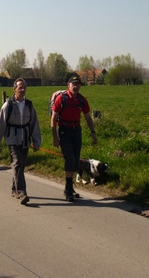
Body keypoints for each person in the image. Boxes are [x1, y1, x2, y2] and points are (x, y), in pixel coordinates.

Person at [0, 78, 41, 205]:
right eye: (20, 87)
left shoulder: (29, 105)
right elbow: (1, 126)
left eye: (24, 87)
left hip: (25, 138)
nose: (23, 89)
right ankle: (21, 192)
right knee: (17, 162)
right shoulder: (7, 105)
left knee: (21, 164)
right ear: (14, 89)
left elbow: (34, 124)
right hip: (12, 138)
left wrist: (36, 141)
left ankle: (14, 188)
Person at [50, 74, 98, 202]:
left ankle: (69, 188)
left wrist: (93, 132)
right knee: (69, 159)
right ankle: (68, 188)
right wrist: (55, 137)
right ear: (68, 85)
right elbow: (53, 118)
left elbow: (88, 117)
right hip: (64, 131)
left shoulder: (81, 100)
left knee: (76, 160)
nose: (76, 87)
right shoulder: (61, 99)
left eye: (78, 84)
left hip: (77, 131)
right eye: (73, 84)